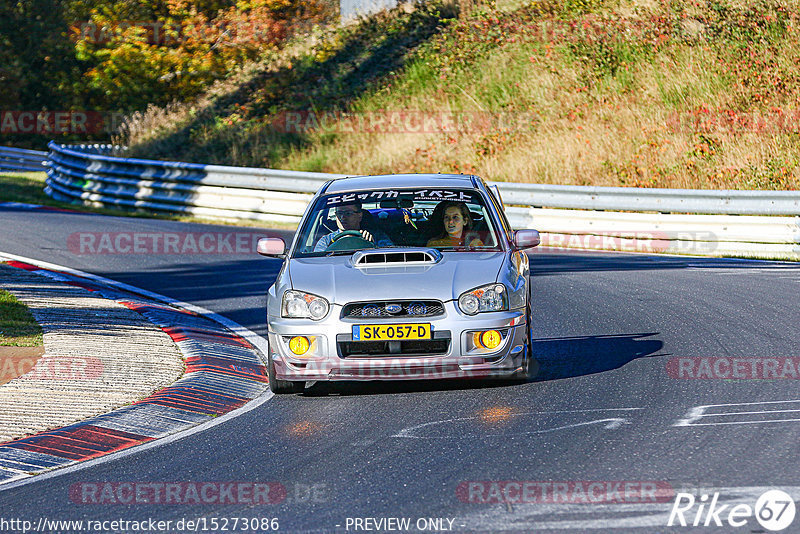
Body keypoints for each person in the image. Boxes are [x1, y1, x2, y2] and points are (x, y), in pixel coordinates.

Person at [314, 201, 392, 252]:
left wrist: (373, 246)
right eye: (339, 213)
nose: (342, 218)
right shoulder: (326, 241)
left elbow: (390, 255)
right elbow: (317, 263)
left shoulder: (377, 237)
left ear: (360, 215)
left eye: (348, 213)